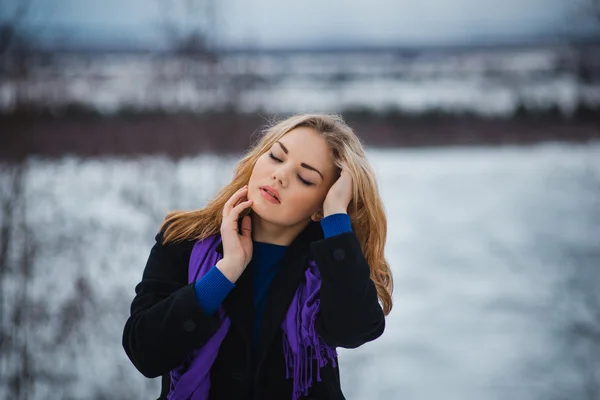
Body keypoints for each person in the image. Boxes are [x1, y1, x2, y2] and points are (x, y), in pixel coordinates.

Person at [122, 113, 394, 400]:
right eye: (276, 157)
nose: (280, 175)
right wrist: (225, 273)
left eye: (304, 178)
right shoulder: (182, 241)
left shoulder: (330, 266)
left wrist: (337, 217)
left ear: (320, 206)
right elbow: (145, 352)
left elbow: (354, 330)